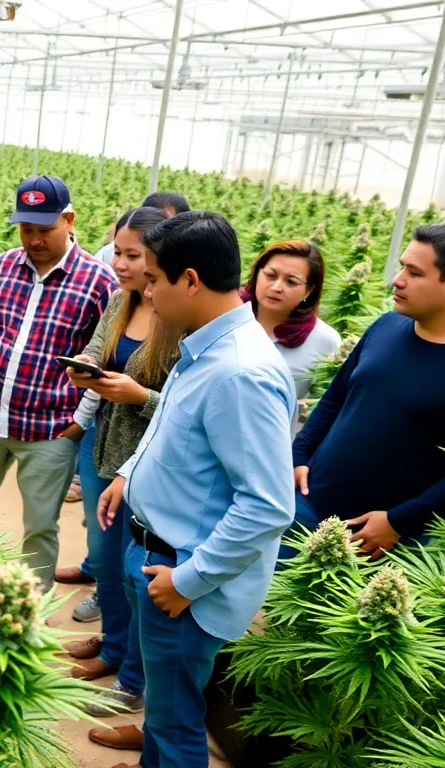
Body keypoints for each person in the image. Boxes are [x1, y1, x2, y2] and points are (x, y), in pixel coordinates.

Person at [97, 211, 296, 768]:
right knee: (163, 712)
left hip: (184, 579)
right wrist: (129, 476)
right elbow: (175, 432)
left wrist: (188, 581)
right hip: (160, 558)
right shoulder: (205, 347)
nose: (147, 291)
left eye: (155, 278)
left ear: (189, 280)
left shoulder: (240, 372)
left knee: (178, 722)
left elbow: (267, 505)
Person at [0, 176, 117, 587]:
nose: (34, 239)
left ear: (69, 219)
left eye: (45, 230)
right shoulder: (4, 263)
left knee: (40, 527)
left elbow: (108, 361)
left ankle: (28, 614)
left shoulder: (99, 282)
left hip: (50, 430)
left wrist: (79, 423)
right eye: (27, 229)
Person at [56, 208, 184, 755]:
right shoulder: (120, 300)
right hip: (102, 447)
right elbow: (97, 349)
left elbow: (182, 407)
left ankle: (129, 681)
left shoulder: (178, 316)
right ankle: (110, 649)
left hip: (145, 462)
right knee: (106, 562)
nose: (122, 263)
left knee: (137, 574)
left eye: (135, 256)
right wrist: (82, 368)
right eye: (119, 251)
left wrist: (140, 397)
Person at [290, 221, 445, 560]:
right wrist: (299, 455)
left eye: (414, 273)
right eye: (402, 265)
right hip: (307, 503)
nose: (397, 279)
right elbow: (336, 397)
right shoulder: (387, 325)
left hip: (381, 539)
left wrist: (400, 521)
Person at [242, 240, 341, 403]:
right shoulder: (225, 316)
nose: (276, 287)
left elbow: (320, 408)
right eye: (270, 275)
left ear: (308, 291)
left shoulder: (325, 340)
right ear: (257, 274)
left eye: (291, 282)